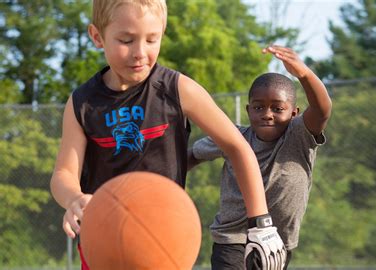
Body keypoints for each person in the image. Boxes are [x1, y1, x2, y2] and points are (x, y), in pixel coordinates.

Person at [49, 1, 285, 269]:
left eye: (152, 39)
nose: (140, 52)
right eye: (126, 40)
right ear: (97, 37)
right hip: (104, 240)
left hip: (164, 237)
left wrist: (260, 222)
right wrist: (74, 199)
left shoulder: (177, 89)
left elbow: (237, 147)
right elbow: (63, 174)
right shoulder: (82, 103)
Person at [188, 45, 332, 270]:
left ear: (294, 113)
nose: (267, 114)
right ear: (248, 110)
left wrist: (304, 74)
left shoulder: (299, 136)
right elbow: (192, 156)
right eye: (259, 107)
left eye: (277, 108)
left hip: (278, 243)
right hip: (233, 239)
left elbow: (322, 110)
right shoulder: (233, 137)